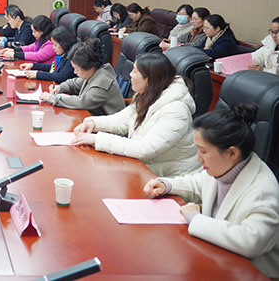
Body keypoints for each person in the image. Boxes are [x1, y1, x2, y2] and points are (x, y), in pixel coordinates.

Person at [143, 104, 279, 278]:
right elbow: (196, 183)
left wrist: (194, 218)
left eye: (203, 151)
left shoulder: (262, 189)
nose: (198, 158)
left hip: (251, 271)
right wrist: (166, 185)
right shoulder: (225, 167)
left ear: (232, 153)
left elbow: (250, 242)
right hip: (217, 255)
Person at [72, 52, 199, 177]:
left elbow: (145, 149)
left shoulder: (176, 111)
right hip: (145, 168)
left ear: (148, 79)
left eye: (134, 71)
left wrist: (97, 139)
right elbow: (122, 120)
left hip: (172, 179)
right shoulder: (147, 95)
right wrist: (93, 123)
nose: (130, 74)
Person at [40, 38, 125, 116]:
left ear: (90, 67)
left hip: (108, 126)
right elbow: (74, 83)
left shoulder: (102, 82)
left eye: (77, 69)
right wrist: (60, 88)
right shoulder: (93, 73)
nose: (74, 72)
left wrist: (53, 98)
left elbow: (81, 102)